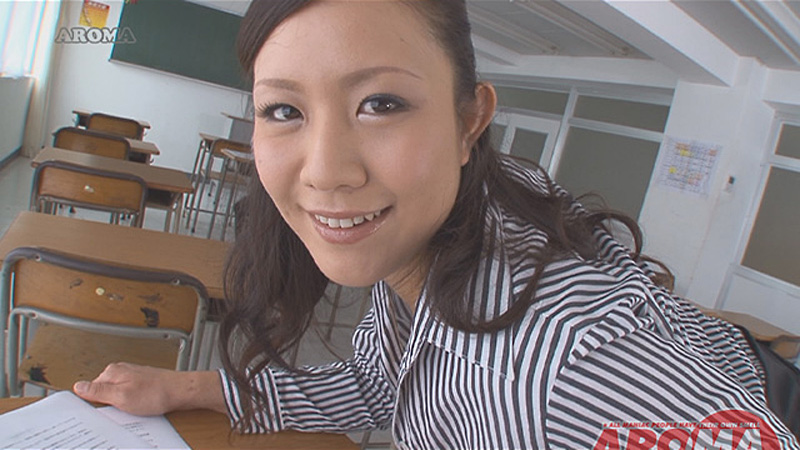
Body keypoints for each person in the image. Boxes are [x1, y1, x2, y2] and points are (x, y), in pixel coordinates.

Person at [73, 0, 800, 448]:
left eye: (381, 104)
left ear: (469, 121)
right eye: (284, 110)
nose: (325, 171)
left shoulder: (572, 365)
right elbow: (378, 383)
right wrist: (189, 389)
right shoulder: (441, 225)